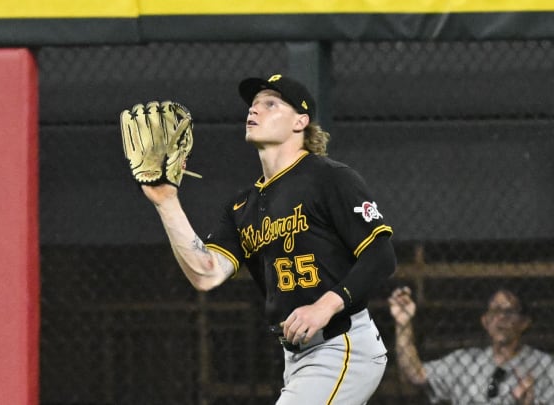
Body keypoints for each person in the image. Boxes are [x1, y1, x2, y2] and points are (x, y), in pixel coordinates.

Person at [139, 73, 397, 404]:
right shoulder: (243, 205)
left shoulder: (329, 178)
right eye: (254, 104)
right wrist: (166, 202)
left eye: (270, 103)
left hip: (341, 345)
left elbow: (381, 256)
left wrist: (323, 306)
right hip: (297, 357)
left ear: (300, 121)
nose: (255, 110)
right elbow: (207, 274)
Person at [388, 286, 554, 404]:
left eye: (510, 311)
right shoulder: (466, 362)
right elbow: (415, 375)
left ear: (524, 322)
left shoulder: (545, 366)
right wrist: (403, 324)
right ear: (485, 321)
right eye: (495, 311)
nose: (502, 317)